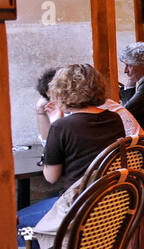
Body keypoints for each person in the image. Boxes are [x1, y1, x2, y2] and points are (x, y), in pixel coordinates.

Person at [19, 64, 126, 227]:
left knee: (15, 222)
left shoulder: (61, 127)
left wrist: (57, 125)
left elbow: (51, 177)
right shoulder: (114, 118)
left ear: (60, 92)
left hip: (77, 209)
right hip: (109, 202)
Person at [36, 65, 140, 140]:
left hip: (130, 163)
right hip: (131, 165)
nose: (57, 103)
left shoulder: (105, 112)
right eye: (51, 99)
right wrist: (41, 111)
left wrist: (57, 125)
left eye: (57, 96)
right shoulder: (72, 116)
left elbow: (54, 157)